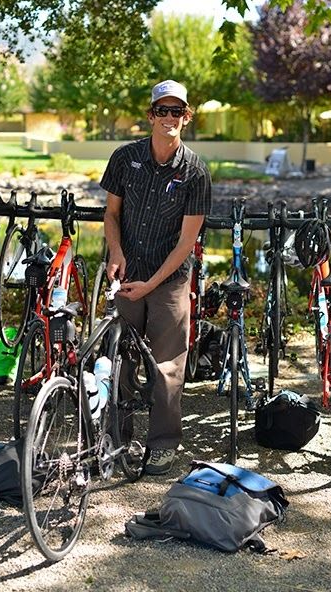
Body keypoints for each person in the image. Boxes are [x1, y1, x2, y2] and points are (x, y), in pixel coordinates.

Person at [100, 79, 212, 475]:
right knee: (117, 360)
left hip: (169, 281)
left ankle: (163, 444)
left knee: (167, 368)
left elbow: (187, 242)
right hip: (126, 275)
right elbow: (111, 214)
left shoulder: (196, 171)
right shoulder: (123, 158)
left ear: (187, 117)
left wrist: (152, 283)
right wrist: (116, 252)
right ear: (150, 116)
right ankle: (116, 437)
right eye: (161, 111)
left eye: (176, 111)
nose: (169, 118)